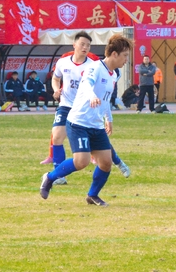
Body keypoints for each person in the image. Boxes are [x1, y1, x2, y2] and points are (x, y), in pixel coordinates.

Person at [40, 35, 133, 206]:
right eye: (125, 55)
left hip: (96, 125)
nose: (127, 60)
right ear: (114, 54)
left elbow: (105, 100)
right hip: (78, 123)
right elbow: (86, 84)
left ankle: (92, 195)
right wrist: (91, 95)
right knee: (81, 162)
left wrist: (109, 119)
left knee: (106, 163)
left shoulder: (113, 75)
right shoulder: (95, 67)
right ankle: (50, 177)